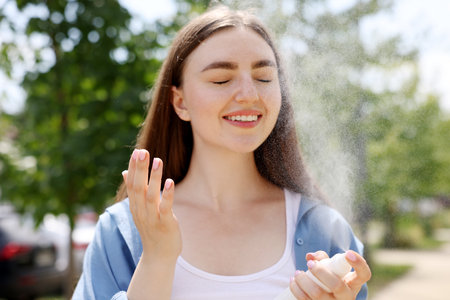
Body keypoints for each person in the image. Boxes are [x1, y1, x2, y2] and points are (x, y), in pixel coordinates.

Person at [73, 5, 371, 300]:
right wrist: (157, 259)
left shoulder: (326, 230)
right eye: (221, 80)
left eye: (264, 78)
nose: (249, 94)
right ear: (180, 103)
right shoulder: (122, 232)